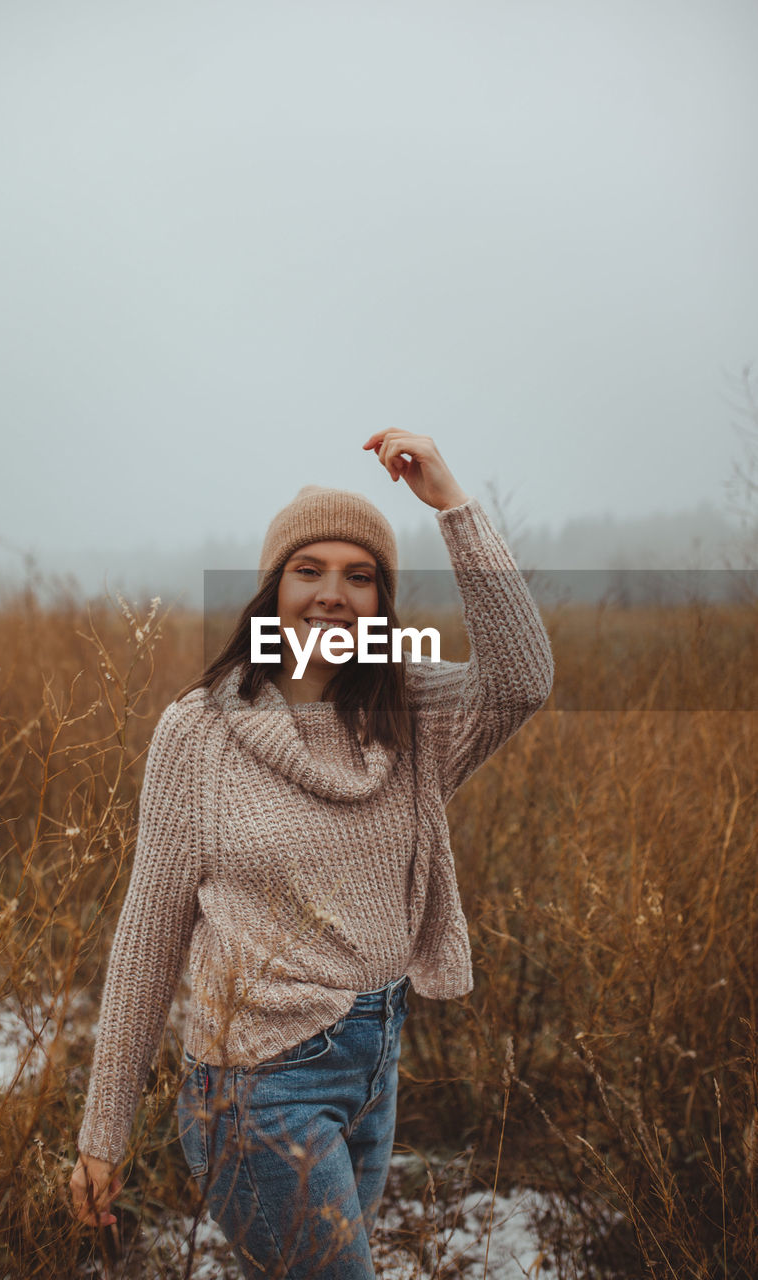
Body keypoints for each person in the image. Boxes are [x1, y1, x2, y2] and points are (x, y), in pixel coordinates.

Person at [69, 429, 554, 1277]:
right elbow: (148, 936)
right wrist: (103, 1135)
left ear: (381, 601)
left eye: (359, 575)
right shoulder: (200, 733)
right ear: (272, 589)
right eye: (308, 571)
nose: (333, 593)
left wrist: (452, 507)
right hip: (257, 1089)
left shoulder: (412, 714)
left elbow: (521, 679)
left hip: (375, 1059)